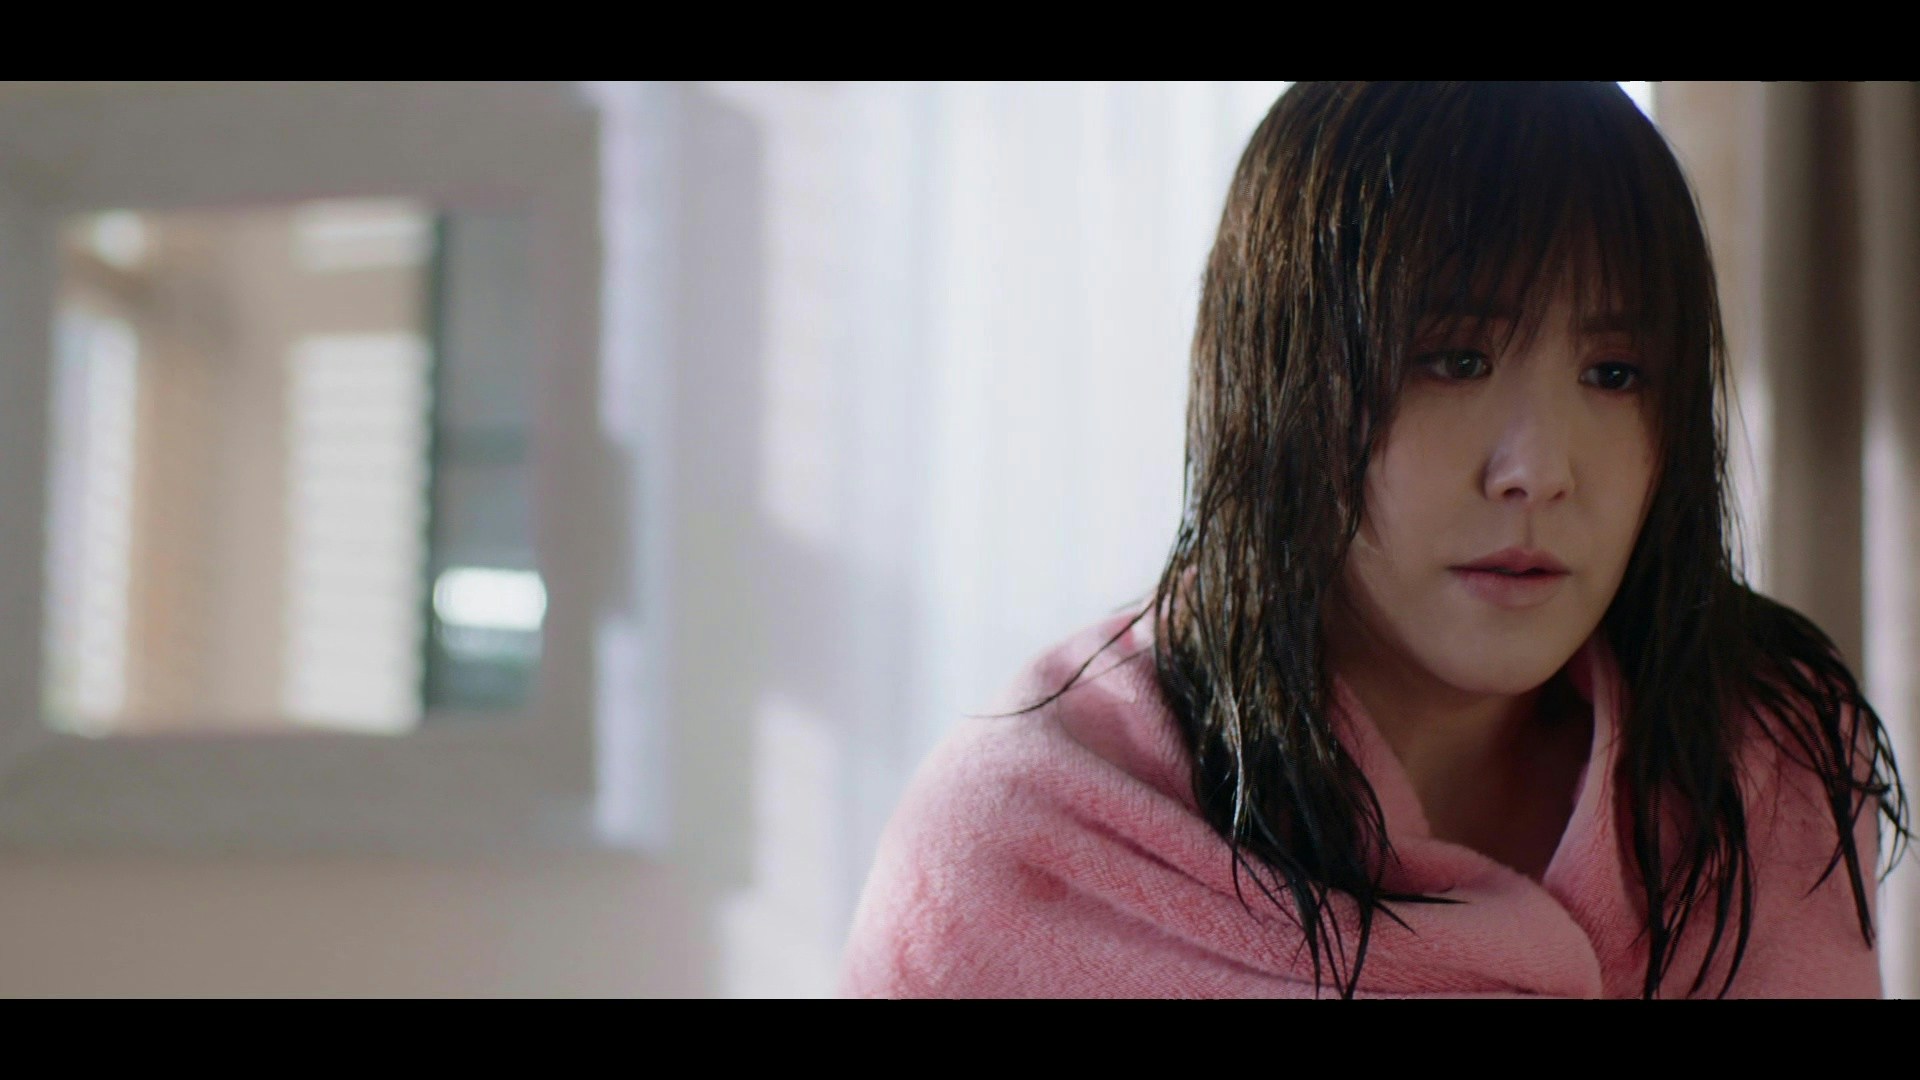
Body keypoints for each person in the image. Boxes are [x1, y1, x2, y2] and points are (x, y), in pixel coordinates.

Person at [839, 81, 1912, 998]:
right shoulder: (1037, 843)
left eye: (1615, 374)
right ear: (1281, 385)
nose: (1540, 468)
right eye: (1454, 360)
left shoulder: (1760, 766)